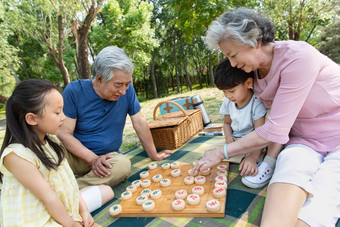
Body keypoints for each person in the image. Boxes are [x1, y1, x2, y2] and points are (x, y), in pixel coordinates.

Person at [193, 7, 340, 226]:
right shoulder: (250, 71)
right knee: (286, 175)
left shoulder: (299, 57)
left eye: (233, 55)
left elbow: (273, 130)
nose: (232, 64)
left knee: (321, 199)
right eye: (227, 57)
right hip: (303, 141)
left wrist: (220, 153)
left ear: (254, 40)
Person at [0, 79, 113, 226]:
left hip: (61, 207)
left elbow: (71, 183)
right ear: (32, 118)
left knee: (107, 191)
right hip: (38, 221)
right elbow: (48, 197)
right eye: (57, 112)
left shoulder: (52, 140)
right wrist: (72, 224)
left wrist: (84, 211)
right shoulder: (15, 156)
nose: (63, 117)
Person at [59, 46, 173, 189]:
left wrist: (154, 155)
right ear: (99, 78)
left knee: (123, 166)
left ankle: (70, 190)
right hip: (75, 157)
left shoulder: (127, 90)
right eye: (118, 84)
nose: (123, 91)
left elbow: (139, 122)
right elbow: (64, 133)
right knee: (45, 147)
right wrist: (92, 159)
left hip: (108, 158)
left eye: (127, 84)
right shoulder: (75, 91)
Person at [215, 58, 281, 189]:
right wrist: (228, 136)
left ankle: (256, 160)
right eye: (224, 92)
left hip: (255, 144)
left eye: (232, 91)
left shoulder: (256, 103)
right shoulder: (228, 102)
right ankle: (243, 158)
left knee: (251, 162)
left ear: (248, 82)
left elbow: (260, 133)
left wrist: (252, 157)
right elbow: (227, 123)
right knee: (210, 154)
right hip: (237, 142)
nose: (228, 96)